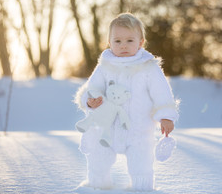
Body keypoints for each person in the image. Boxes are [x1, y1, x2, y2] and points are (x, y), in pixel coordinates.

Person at [75, 12, 179, 191]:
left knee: (141, 165)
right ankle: (96, 187)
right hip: (106, 130)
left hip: (138, 130)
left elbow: (162, 94)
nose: (123, 46)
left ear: (141, 42)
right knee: (98, 161)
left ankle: (141, 189)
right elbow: (93, 87)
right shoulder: (105, 66)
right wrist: (90, 100)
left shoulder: (148, 67)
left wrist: (166, 116)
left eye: (130, 41)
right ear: (109, 42)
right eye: (117, 41)